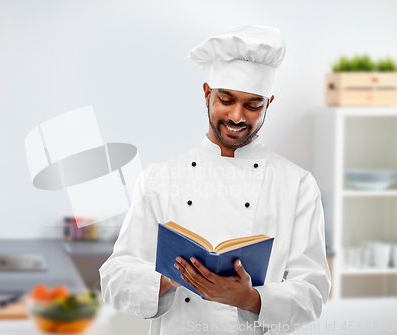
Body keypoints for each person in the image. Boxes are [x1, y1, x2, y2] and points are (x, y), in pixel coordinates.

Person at [99, 24, 331, 335]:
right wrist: (171, 276)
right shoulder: (160, 177)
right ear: (207, 94)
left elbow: (313, 292)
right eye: (226, 99)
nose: (237, 116)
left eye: (253, 105)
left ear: (269, 104)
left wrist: (251, 299)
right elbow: (114, 279)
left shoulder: (297, 185)